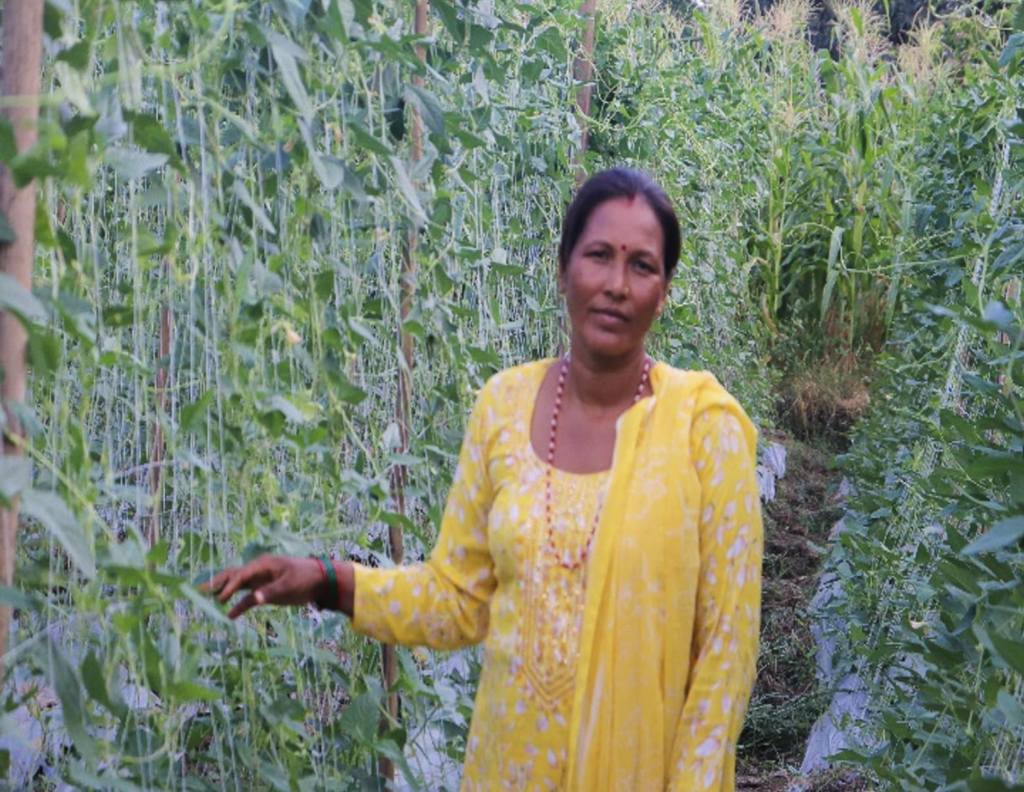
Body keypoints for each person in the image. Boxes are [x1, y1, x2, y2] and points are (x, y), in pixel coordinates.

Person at [203, 168, 763, 792]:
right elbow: (458, 601)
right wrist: (328, 582)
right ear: (563, 268)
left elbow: (724, 653)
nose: (615, 285)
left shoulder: (703, 430)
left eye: (643, 266)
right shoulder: (504, 404)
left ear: (664, 292)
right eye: (599, 255)